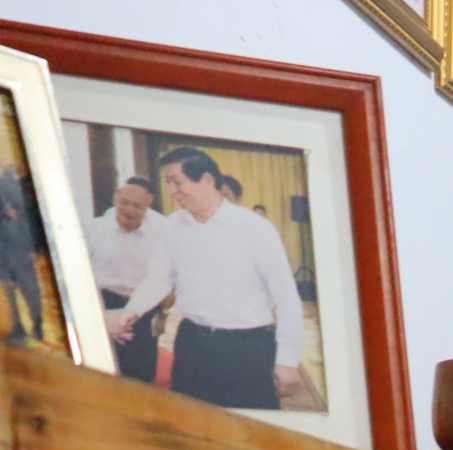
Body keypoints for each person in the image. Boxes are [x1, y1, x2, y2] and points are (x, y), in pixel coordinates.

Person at [110, 146, 305, 410]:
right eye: (168, 183)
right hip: (192, 342)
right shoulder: (173, 226)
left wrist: (287, 359)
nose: (172, 191)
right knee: (190, 422)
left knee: (249, 425)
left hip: (246, 347)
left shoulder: (255, 229)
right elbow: (159, 280)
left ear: (207, 180)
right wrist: (131, 311)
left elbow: (286, 297)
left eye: (177, 182)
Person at [88, 176, 167, 382]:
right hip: (104, 303)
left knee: (141, 373)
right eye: (124, 203)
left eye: (137, 206)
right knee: (102, 368)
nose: (129, 210)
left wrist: (162, 308)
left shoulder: (162, 231)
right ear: (116, 198)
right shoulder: (94, 229)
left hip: (143, 308)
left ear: (149, 203)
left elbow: (165, 276)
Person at [0, 167, 43, 347]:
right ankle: (18, 328)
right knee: (8, 292)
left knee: (30, 290)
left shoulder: (11, 184)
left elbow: (25, 216)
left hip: (19, 247)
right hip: (4, 251)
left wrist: (32, 247)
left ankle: (37, 325)